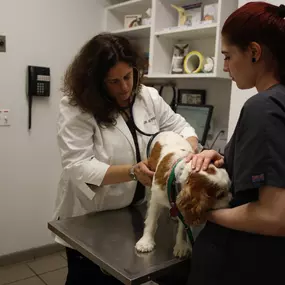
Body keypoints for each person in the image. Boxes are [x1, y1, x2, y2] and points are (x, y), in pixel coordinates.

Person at [52, 33, 198, 285]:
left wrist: (185, 154)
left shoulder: (148, 97)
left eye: (128, 76)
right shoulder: (77, 107)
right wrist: (132, 171)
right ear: (96, 83)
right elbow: (78, 166)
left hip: (133, 213)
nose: (125, 87)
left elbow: (182, 128)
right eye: (114, 81)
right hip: (91, 218)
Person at [186, 2, 285, 285]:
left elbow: (275, 216)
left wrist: (207, 214)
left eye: (228, 56)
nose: (225, 66)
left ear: (254, 52)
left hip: (243, 263)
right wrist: (223, 157)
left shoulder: (263, 107)